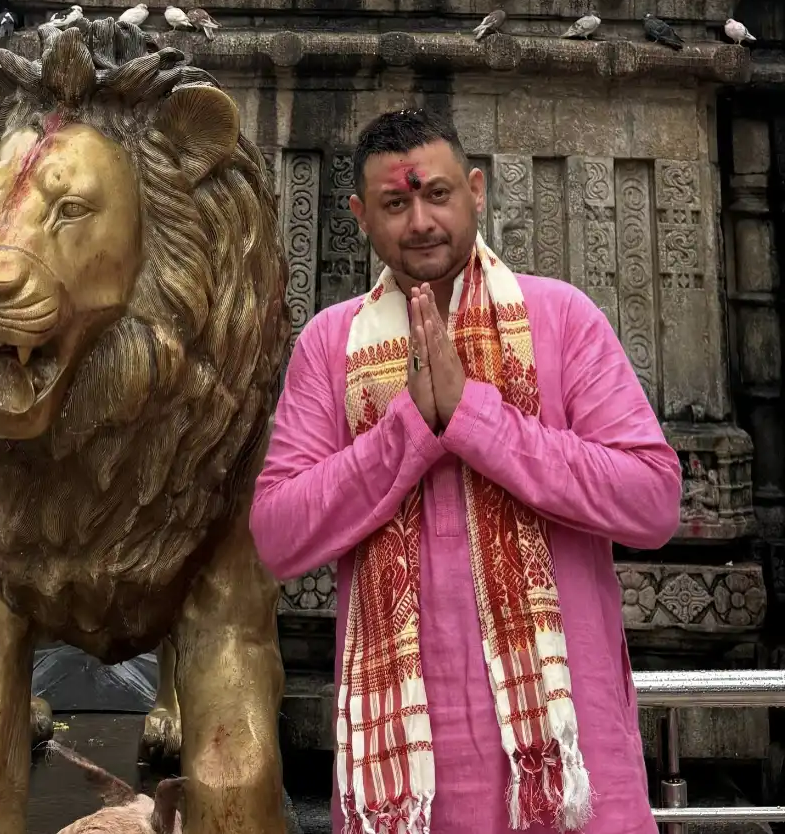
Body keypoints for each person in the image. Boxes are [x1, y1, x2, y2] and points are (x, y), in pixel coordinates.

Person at [249, 108, 682, 834]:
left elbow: (652, 499)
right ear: (360, 214)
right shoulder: (330, 348)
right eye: (396, 202)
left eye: (438, 194)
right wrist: (411, 429)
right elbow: (277, 536)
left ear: (476, 191)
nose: (421, 220)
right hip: (410, 790)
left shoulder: (562, 320)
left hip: (573, 775)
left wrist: (478, 420)